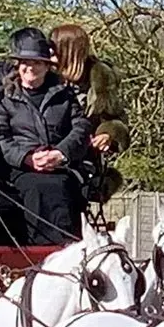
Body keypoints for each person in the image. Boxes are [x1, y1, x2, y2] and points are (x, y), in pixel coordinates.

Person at [0, 27, 92, 244]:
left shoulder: (65, 96)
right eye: (25, 63)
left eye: (37, 62)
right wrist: (27, 158)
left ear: (47, 66)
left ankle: (66, 247)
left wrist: (60, 153)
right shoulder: (4, 99)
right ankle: (38, 248)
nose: (31, 68)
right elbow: (2, 139)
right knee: (37, 187)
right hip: (21, 169)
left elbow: (81, 128)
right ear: (18, 65)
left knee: (62, 186)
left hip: (61, 166)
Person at [50, 23, 129, 202]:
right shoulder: (44, 74)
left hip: (83, 157)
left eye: (55, 47)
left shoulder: (100, 79)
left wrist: (108, 134)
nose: (51, 53)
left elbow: (117, 119)